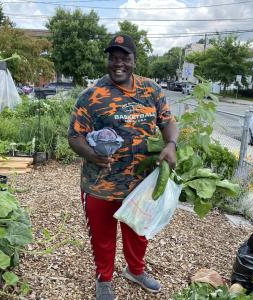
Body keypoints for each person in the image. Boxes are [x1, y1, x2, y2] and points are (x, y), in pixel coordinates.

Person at [68, 33, 178, 300]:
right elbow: (74, 136)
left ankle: (136, 271)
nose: (119, 63)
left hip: (140, 183)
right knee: (103, 237)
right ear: (108, 60)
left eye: (124, 58)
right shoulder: (91, 95)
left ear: (134, 61)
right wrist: (92, 155)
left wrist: (171, 144)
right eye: (113, 58)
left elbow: (168, 122)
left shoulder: (151, 91)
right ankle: (104, 280)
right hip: (100, 184)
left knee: (138, 232)